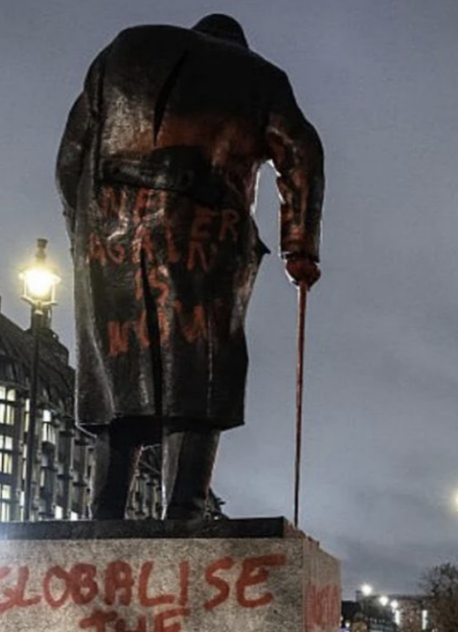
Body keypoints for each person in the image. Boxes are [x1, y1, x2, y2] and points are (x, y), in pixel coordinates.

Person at [57, 13, 324, 519]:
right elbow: (301, 153)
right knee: (199, 366)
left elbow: (70, 157)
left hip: (107, 236)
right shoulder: (260, 76)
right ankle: (185, 508)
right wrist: (300, 247)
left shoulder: (121, 48)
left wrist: (85, 228)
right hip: (202, 232)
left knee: (119, 370)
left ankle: (106, 510)